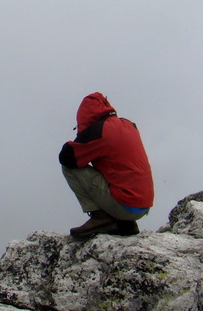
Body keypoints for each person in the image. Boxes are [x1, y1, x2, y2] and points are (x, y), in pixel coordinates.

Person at [58, 93, 154, 239]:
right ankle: (125, 224)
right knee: (114, 168)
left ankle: (101, 218)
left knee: (70, 169)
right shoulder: (129, 125)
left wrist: (82, 137)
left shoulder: (99, 131)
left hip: (124, 205)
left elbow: (66, 157)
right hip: (142, 205)